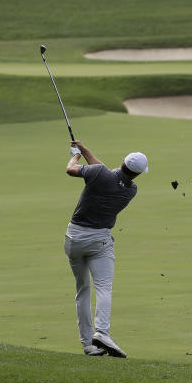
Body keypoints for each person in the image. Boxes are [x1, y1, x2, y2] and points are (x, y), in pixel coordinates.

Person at [64, 139, 149, 358]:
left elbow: (71, 169)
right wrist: (84, 150)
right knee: (103, 287)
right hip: (99, 241)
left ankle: (87, 344)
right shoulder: (131, 190)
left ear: (122, 162)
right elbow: (101, 172)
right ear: (138, 174)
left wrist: (75, 155)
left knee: (82, 289)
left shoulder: (100, 174)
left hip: (73, 238)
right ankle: (101, 332)